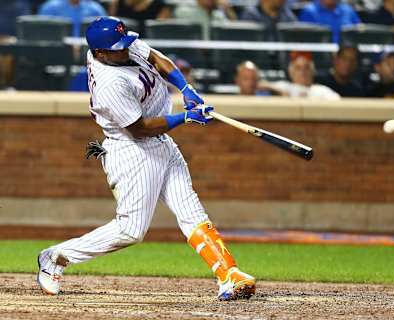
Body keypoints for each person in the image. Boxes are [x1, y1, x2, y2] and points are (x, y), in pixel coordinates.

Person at [36, 16, 256, 301]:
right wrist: (185, 117)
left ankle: (229, 274)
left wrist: (185, 88)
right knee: (131, 231)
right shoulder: (109, 83)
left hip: (161, 142)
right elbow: (139, 128)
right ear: (100, 53)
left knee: (191, 212)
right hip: (133, 150)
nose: (126, 49)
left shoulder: (118, 47)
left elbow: (157, 58)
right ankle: (56, 257)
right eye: (118, 48)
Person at [270, 53, 341, 98]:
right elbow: (262, 85)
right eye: (298, 68)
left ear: (313, 71)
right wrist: (280, 92)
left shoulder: (321, 90)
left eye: (307, 68)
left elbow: (341, 104)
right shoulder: (284, 86)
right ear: (291, 72)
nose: (303, 72)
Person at [38, 0, 106, 37]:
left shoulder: (95, 9)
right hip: (57, 53)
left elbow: (106, 34)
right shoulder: (49, 7)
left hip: (89, 52)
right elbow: (42, 35)